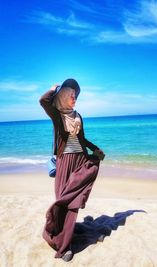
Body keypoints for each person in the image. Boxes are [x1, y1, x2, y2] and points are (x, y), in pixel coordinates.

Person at [39, 78, 105, 262]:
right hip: (64, 162)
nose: (74, 97)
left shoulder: (78, 116)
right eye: (71, 94)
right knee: (63, 200)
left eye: (76, 95)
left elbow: (81, 139)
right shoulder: (57, 114)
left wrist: (94, 149)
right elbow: (43, 101)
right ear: (63, 95)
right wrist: (52, 89)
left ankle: (66, 244)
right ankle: (62, 243)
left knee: (73, 203)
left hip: (79, 160)